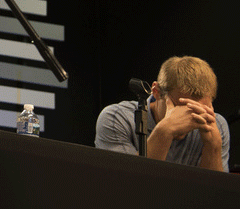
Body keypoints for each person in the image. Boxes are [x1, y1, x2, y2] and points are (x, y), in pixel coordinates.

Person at [95, 55, 230, 172]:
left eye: (199, 109)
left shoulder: (216, 125)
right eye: (181, 108)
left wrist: (213, 146)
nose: (189, 119)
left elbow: (214, 197)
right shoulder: (116, 118)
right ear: (156, 92)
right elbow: (126, 186)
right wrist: (164, 131)